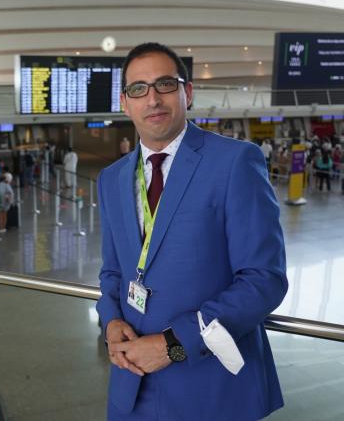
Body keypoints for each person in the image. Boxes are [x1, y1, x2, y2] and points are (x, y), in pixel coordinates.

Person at [96, 42, 287, 420]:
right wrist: (110, 320)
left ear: (188, 92)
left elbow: (264, 280)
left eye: (165, 84)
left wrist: (172, 345)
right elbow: (113, 271)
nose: (152, 99)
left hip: (211, 393)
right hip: (131, 389)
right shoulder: (111, 179)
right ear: (125, 102)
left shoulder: (234, 163)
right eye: (139, 89)